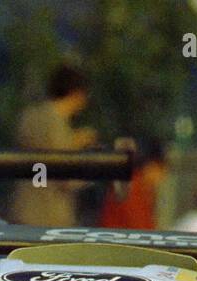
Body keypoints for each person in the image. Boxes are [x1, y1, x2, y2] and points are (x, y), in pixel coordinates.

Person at [10, 65, 98, 226]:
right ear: (77, 94)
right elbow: (62, 175)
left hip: (24, 209)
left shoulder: (30, 117)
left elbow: (39, 163)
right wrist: (95, 169)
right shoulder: (55, 124)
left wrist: (72, 142)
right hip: (49, 215)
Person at [99, 141, 167, 229]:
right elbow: (140, 227)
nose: (163, 176)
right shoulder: (132, 187)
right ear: (151, 166)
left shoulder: (140, 185)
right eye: (161, 169)